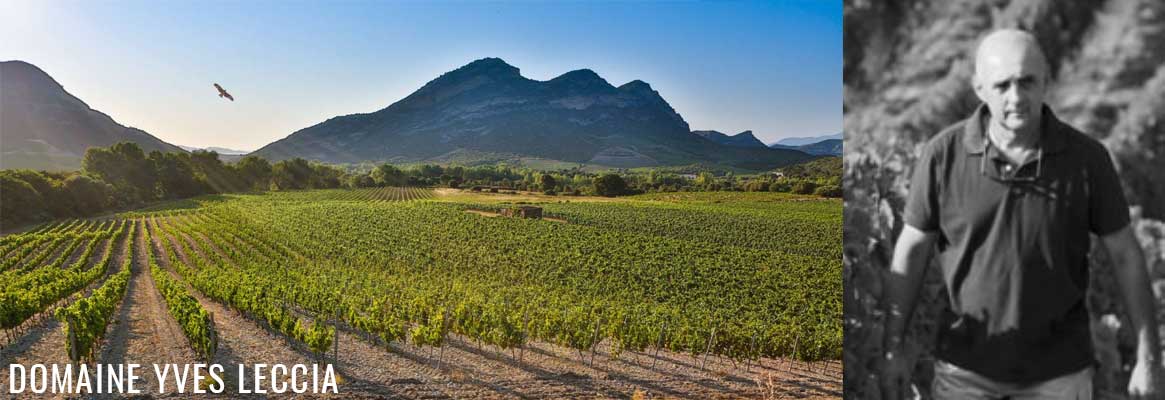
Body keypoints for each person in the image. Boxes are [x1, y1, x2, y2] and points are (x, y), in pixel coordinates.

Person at [879, 29, 1163, 399]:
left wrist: (1149, 357)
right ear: (979, 88)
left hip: (1060, 376)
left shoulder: (1087, 159)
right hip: (965, 373)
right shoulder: (943, 156)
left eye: (1027, 82)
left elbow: (1125, 254)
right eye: (1002, 86)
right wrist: (891, 347)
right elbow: (912, 251)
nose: (1016, 97)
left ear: (1046, 81)